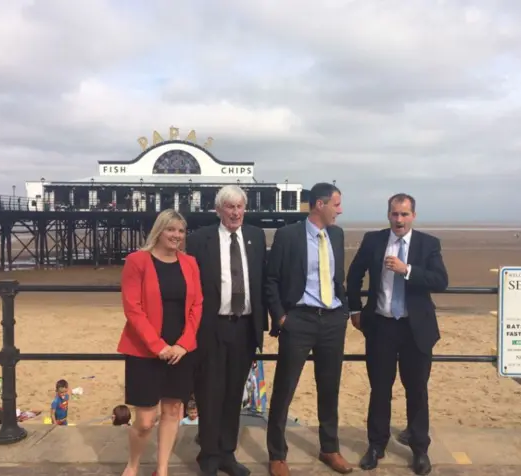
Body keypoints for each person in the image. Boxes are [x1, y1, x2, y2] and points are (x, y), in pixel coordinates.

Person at [346, 193, 448, 476]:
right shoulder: (374, 240)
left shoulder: (428, 244)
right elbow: (354, 276)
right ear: (388, 215)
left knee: (416, 390)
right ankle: (376, 446)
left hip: (416, 329)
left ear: (413, 216)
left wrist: (408, 270)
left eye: (404, 214)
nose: (399, 220)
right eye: (394, 214)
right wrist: (354, 309)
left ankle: (419, 449)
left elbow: (441, 281)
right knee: (380, 389)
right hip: (381, 327)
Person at [265, 182, 353, 476]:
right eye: (336, 204)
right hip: (298, 320)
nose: (340, 210)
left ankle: (330, 449)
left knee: (329, 388)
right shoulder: (288, 235)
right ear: (320, 204)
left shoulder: (337, 234)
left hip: (331, 320)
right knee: (285, 389)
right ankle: (277, 455)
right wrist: (281, 318)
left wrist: (344, 310)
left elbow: (338, 278)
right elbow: (271, 279)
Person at [186, 185, 268, 476]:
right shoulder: (199, 240)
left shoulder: (256, 237)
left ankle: (227, 454)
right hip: (211, 327)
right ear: (218, 210)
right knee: (209, 393)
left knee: (234, 394)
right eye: (229, 207)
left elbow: (263, 280)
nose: (235, 212)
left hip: (244, 327)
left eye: (239, 207)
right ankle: (208, 456)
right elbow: (189, 285)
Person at [117, 208, 203, 476]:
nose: (176, 235)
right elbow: (133, 309)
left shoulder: (190, 263)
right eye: (171, 229)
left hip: (180, 351)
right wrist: (159, 346)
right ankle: (133, 465)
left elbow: (197, 305)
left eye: (180, 231)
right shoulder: (137, 261)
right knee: (144, 420)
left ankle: (162, 468)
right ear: (159, 230)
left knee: (173, 411)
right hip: (144, 350)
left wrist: (183, 344)